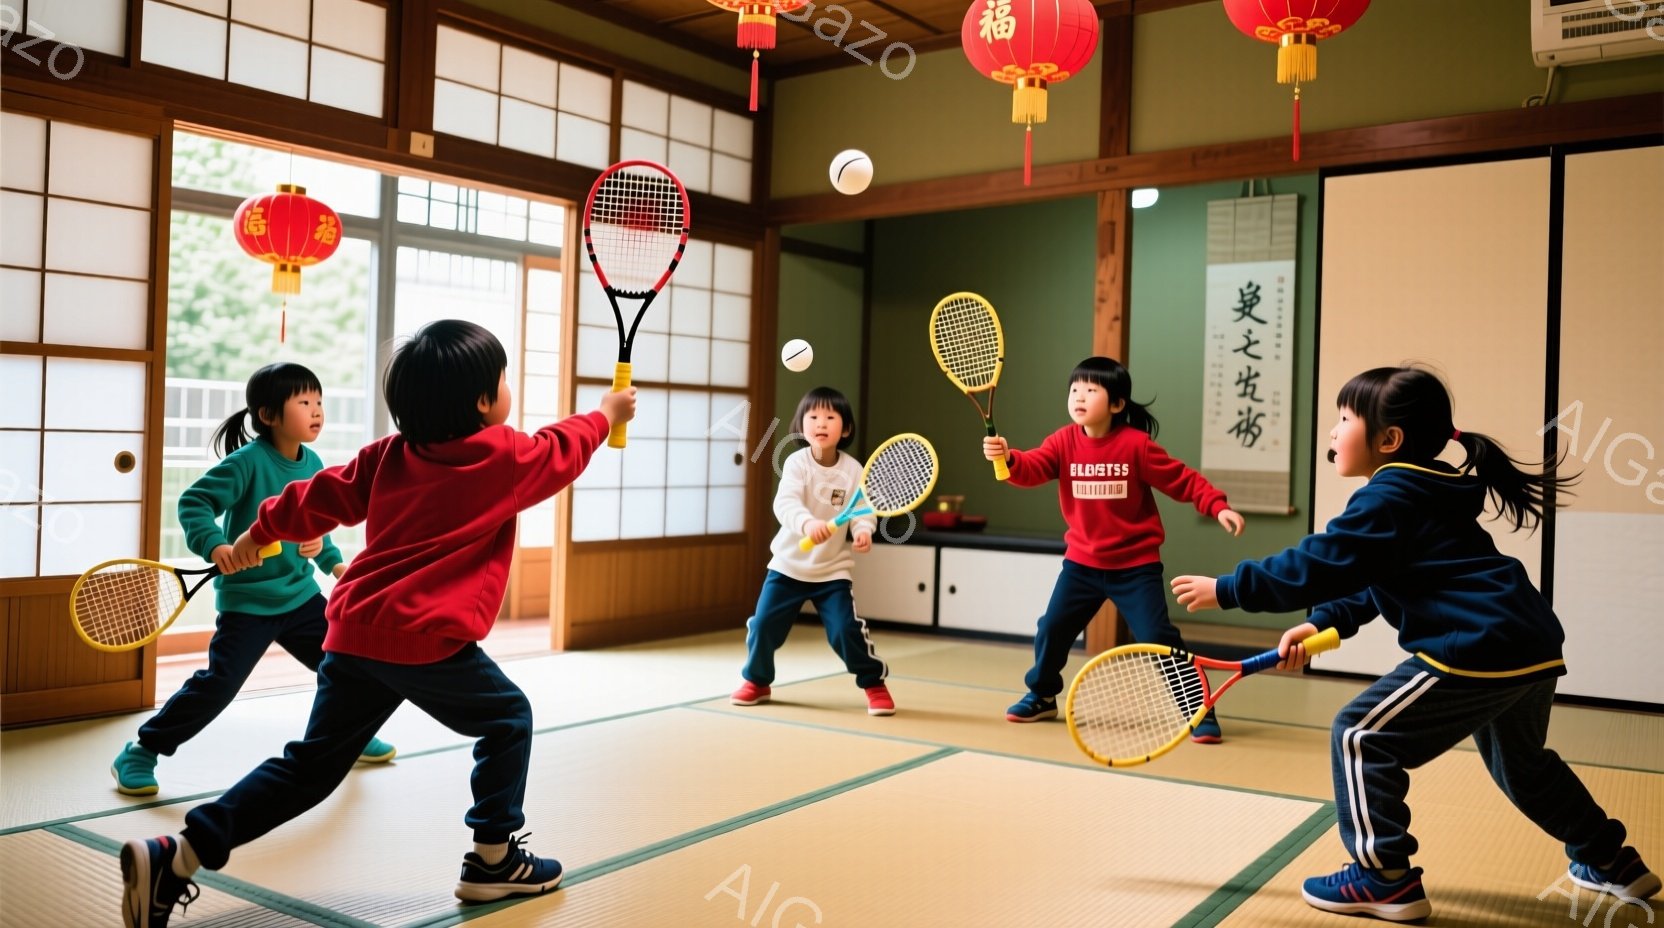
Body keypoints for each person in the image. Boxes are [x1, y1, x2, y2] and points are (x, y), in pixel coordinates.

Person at [119, 320, 637, 928]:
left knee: (309, 768)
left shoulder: (387, 455)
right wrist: (605, 414)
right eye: (501, 379)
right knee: (507, 718)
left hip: (355, 631)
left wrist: (256, 535)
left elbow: (310, 498)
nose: (506, 388)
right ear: (481, 401)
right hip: (425, 637)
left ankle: (176, 855)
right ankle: (493, 861)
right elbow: (562, 448)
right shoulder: (503, 458)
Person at [1171, 366, 1659, 921]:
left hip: (1475, 645)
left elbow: (1318, 563)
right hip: (1528, 643)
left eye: (1345, 418)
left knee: (1359, 735)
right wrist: (1324, 622)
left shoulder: (1390, 494)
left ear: (1389, 439)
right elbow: (1381, 578)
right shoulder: (1429, 490)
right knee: (1525, 767)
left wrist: (1229, 588)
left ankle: (1384, 877)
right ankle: (1612, 862)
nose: (1333, 431)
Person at [111, 362, 396, 797]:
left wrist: (330, 560)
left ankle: (347, 736)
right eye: (304, 402)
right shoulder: (246, 464)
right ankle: (141, 750)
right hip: (248, 604)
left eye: (319, 402)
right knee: (217, 687)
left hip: (300, 597)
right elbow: (194, 503)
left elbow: (315, 524)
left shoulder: (313, 461)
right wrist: (216, 547)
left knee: (343, 667)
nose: (317, 411)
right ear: (268, 415)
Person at [985, 356, 1243, 734]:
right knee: (1051, 629)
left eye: (1091, 390)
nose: (1079, 396)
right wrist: (1007, 458)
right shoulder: (1062, 442)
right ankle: (1041, 696)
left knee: (1158, 638)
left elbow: (1182, 480)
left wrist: (1216, 505)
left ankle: (1198, 709)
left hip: (1135, 568)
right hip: (1081, 566)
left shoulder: (1136, 447)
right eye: (1074, 389)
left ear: (1117, 404)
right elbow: (1031, 468)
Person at [731, 386, 896, 716]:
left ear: (845, 428)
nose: (821, 422)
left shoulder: (853, 470)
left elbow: (863, 510)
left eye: (831, 417)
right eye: (813, 416)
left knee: (845, 631)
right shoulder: (796, 464)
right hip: (787, 567)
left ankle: (873, 682)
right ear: (800, 426)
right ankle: (758, 680)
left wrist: (863, 531)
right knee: (763, 625)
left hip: (831, 571)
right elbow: (785, 503)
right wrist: (806, 524)